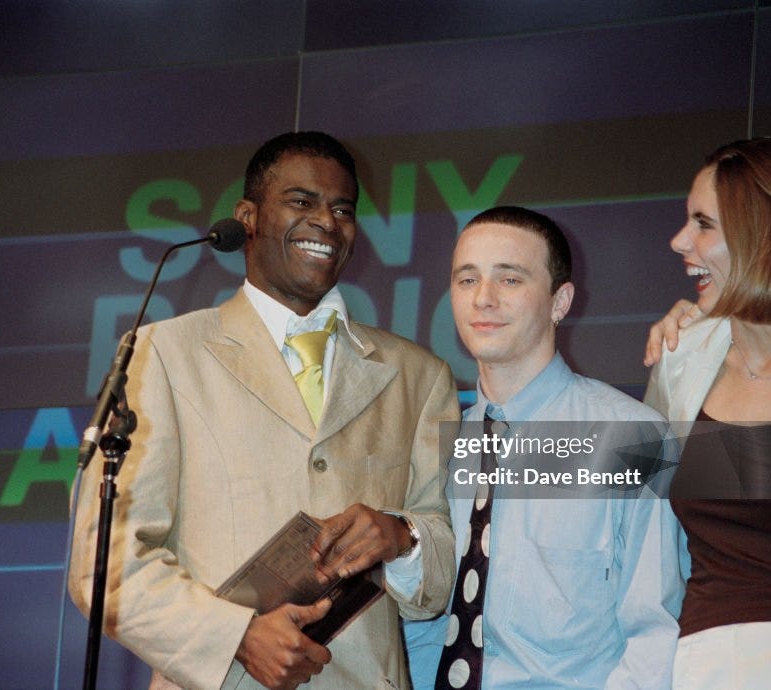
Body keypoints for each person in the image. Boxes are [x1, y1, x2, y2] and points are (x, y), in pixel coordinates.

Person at [69, 131, 460, 690]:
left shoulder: (420, 377)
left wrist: (402, 537)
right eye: (302, 201)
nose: (326, 221)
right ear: (247, 216)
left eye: (343, 208)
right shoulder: (163, 355)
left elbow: (444, 567)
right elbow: (104, 563)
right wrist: (234, 637)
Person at [405, 206, 684, 689]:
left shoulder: (634, 438)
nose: (484, 300)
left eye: (510, 280)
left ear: (560, 302)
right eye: (467, 280)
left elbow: (654, 634)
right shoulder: (432, 444)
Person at [643, 136, 771, 689]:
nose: (679, 240)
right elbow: (641, 515)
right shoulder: (681, 360)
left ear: (769, 235)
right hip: (699, 662)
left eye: (703, 223)